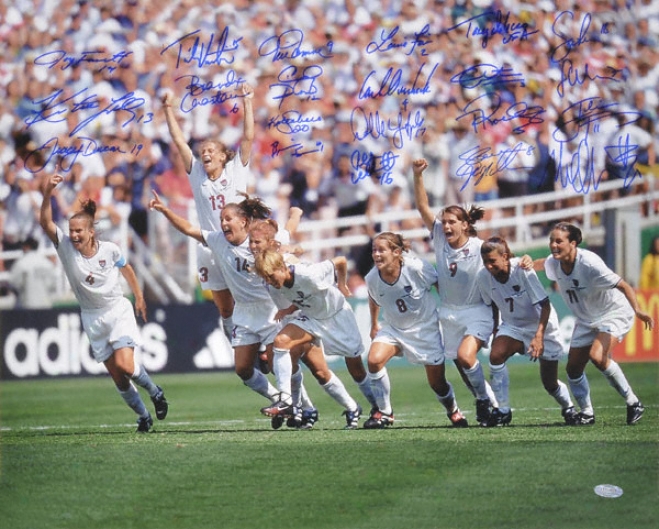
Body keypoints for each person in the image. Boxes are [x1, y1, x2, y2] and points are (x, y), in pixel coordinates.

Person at [148, 192, 302, 424]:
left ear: (243, 221)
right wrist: (166, 210)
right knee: (243, 369)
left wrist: (294, 217)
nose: (223, 223)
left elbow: (287, 233)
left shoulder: (259, 239)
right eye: (221, 219)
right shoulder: (218, 240)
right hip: (244, 312)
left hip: (270, 310)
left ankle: (297, 406)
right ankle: (278, 399)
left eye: (228, 218)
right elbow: (189, 229)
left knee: (277, 364)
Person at [40, 173, 168, 433]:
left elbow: (127, 269)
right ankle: (143, 416)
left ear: (90, 231)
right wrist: (47, 193)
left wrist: (139, 297)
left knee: (126, 365)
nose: (73, 235)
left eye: (78, 231)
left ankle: (155, 391)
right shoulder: (64, 247)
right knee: (118, 378)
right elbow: (45, 222)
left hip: (116, 310)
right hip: (91, 316)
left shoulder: (109, 249)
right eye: (71, 230)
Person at [161, 83, 255, 341]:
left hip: (240, 244)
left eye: (211, 150)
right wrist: (168, 108)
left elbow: (247, 138)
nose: (205, 154)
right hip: (210, 245)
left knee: (252, 296)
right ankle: (237, 343)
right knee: (225, 308)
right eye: (203, 152)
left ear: (224, 156)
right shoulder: (197, 175)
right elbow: (179, 141)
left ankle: (260, 344)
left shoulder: (236, 169)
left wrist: (247, 100)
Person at [412, 158, 498, 426]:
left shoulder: (479, 247)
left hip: (477, 310)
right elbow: (422, 206)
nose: (446, 226)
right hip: (449, 312)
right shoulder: (439, 237)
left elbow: (505, 264)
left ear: (464, 224)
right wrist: (417, 175)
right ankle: (491, 406)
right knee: (462, 365)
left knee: (465, 356)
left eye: (452, 222)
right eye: (444, 222)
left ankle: (484, 402)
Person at [541, 222, 652, 425]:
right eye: (551, 241)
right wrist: (524, 262)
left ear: (573, 243)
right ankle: (587, 413)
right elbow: (542, 263)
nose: (553, 245)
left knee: (597, 356)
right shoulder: (554, 262)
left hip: (614, 313)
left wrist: (637, 310)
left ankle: (633, 402)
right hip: (586, 318)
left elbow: (624, 285)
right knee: (573, 369)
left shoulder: (590, 263)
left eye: (559, 241)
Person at [254, 248, 377, 429]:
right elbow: (302, 295)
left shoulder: (308, 274)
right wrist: (289, 310)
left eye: (271, 276)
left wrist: (342, 285)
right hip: (312, 318)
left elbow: (341, 260)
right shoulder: (277, 283)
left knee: (356, 369)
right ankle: (286, 400)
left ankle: (377, 407)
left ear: (282, 267)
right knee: (281, 342)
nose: (270, 281)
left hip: (337, 317)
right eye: (266, 278)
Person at [362, 232, 468, 429]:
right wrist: (375, 323)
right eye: (374, 250)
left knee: (438, 383)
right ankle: (385, 412)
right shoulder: (372, 278)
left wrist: (452, 311)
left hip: (425, 331)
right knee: (374, 360)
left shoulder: (416, 267)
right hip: (394, 329)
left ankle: (453, 410)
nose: (376, 254)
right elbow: (373, 297)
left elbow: (439, 285)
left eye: (381, 250)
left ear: (396, 252)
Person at [476, 236, 578, 427]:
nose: (488, 266)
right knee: (496, 355)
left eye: (492, 261)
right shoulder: (483, 276)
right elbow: (493, 305)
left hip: (542, 326)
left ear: (505, 257)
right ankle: (503, 410)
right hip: (513, 326)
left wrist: (538, 337)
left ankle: (569, 407)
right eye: (485, 262)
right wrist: (496, 329)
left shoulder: (522, 270)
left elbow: (545, 305)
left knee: (550, 383)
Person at [8, 236, 58, 309]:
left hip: (26, 306)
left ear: (26, 247)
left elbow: (13, 284)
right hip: (45, 306)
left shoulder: (21, 263)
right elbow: (53, 285)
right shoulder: (47, 263)